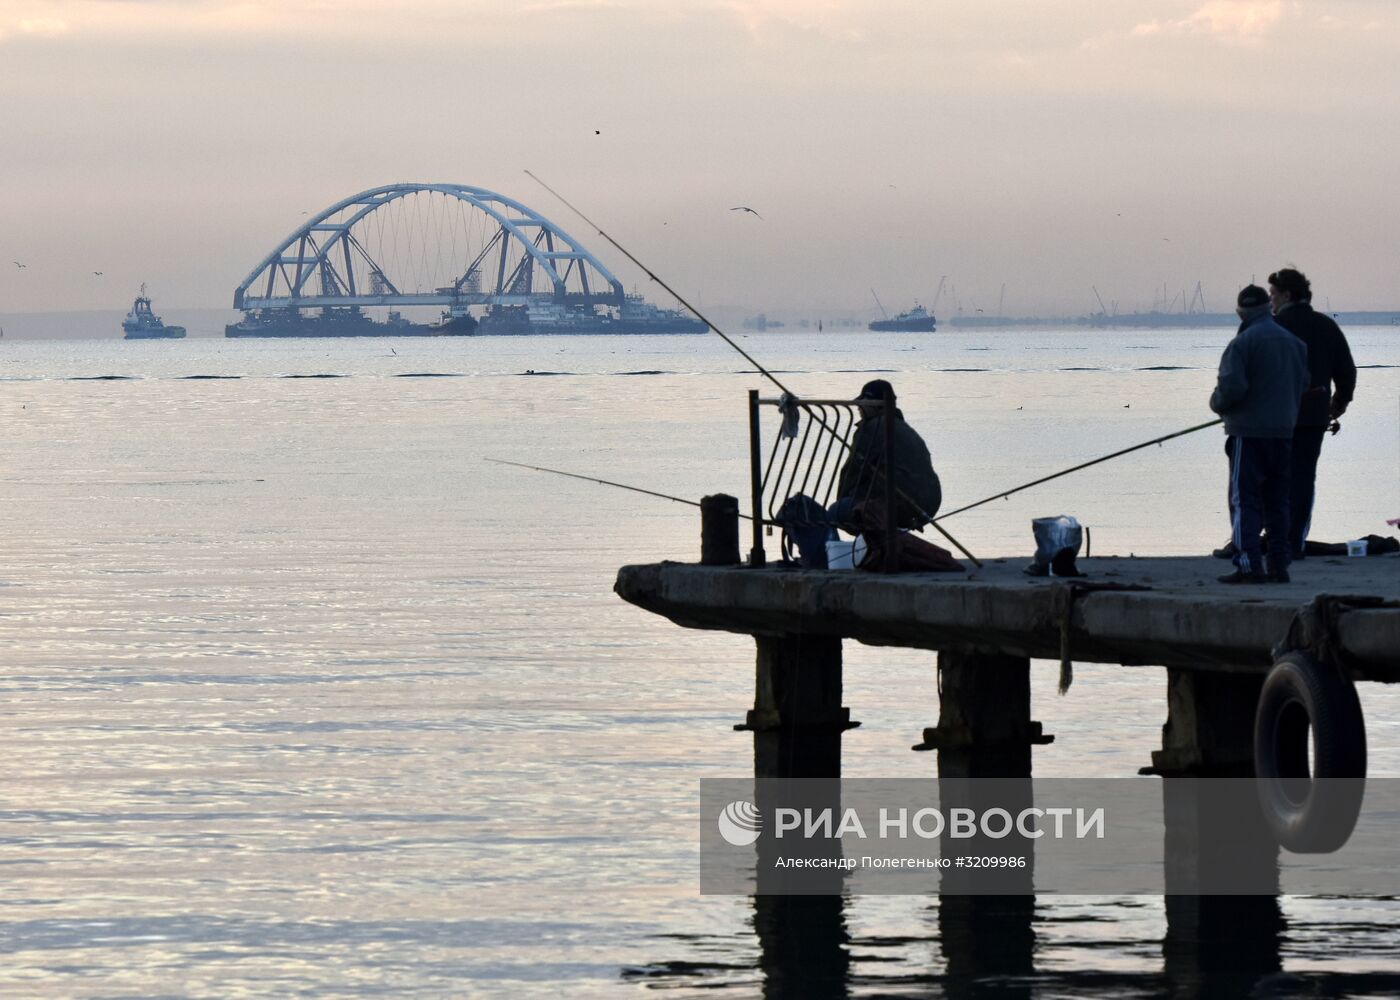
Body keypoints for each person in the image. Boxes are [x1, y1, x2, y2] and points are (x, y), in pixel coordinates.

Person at [1209, 285, 1309, 583]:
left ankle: (1248, 565)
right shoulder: (1295, 343)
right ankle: (1279, 565)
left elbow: (1232, 389)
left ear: (1241, 312)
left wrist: (1217, 404)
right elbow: (1303, 384)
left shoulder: (1241, 344)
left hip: (1248, 435)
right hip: (1283, 434)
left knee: (1245, 500)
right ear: (1269, 307)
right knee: (1278, 502)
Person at [1268, 268, 1357, 559]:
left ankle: (1275, 539)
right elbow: (1346, 372)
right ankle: (1295, 542)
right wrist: (1337, 406)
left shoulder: (1273, 326)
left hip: (1275, 418)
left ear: (1287, 295)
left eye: (1274, 295)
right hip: (1314, 416)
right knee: (1303, 477)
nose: (1271, 302)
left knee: (1274, 478)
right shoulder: (1326, 326)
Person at [830, 379, 941, 532]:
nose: (859, 408)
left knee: (836, 511)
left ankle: (867, 550)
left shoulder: (871, 428)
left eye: (863, 402)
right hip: (928, 506)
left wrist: (843, 500)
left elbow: (851, 472)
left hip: (901, 505)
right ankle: (884, 545)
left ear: (875, 404)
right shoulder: (903, 427)